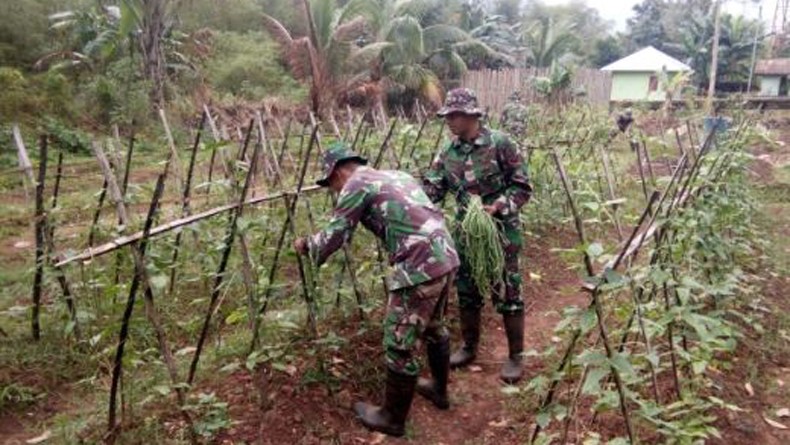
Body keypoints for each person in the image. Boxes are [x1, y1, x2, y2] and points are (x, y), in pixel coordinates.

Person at [293, 142, 459, 437]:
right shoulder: (395, 174)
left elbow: (336, 235)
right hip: (444, 255)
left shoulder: (355, 183)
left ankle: (392, 418)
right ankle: (438, 391)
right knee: (434, 326)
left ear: (338, 171)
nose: (333, 190)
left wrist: (307, 245)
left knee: (399, 342)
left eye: (331, 183)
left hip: (419, 266)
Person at [423, 88, 532, 384]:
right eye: (446, 116)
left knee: (507, 290)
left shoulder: (500, 144)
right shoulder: (447, 152)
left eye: (453, 116)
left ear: (471, 115)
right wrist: (412, 195)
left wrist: (497, 206)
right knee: (467, 288)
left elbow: (522, 186)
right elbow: (433, 189)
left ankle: (515, 356)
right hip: (466, 233)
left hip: (500, 231)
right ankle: (469, 347)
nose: (449, 122)